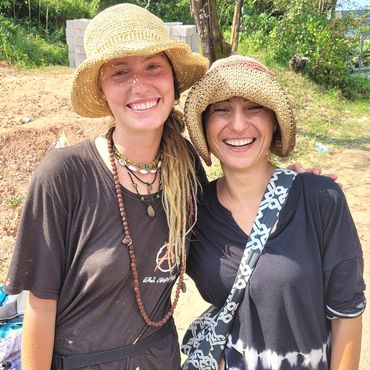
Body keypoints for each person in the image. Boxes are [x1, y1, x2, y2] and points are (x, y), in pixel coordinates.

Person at [3, 3, 209, 370]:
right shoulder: (63, 175)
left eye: (153, 67)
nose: (140, 84)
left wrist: (292, 188)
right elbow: (39, 305)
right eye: (120, 72)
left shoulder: (188, 169)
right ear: (101, 89)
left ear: (172, 80)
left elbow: (236, 232)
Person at [184, 55, 366, 370]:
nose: (238, 124)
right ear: (203, 124)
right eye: (222, 109)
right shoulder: (192, 214)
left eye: (254, 107)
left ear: (273, 120)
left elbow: (347, 316)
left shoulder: (320, 199)